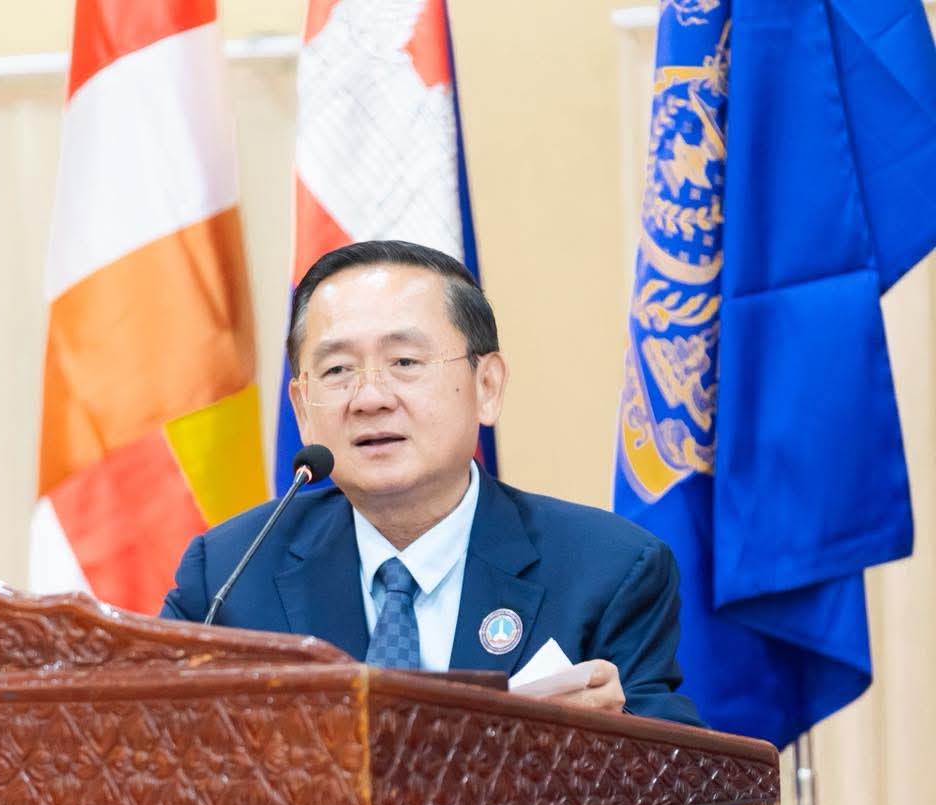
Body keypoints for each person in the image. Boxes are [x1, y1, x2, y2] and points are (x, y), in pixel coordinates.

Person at [161, 240, 702, 725]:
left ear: (487, 386)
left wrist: (610, 741)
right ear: (303, 408)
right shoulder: (229, 576)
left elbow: (687, 790)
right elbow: (153, 753)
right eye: (337, 370)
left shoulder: (608, 571)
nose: (370, 398)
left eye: (405, 361)